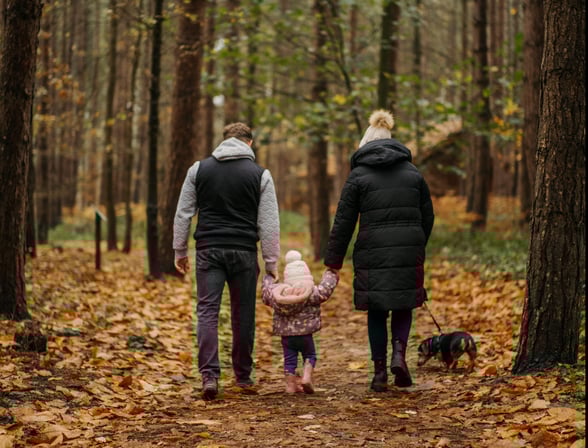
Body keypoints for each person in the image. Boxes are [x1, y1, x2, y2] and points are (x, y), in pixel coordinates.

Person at [324, 110, 434, 391]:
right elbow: (428, 216)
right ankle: (399, 355)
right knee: (403, 305)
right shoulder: (413, 174)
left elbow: (344, 222)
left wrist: (333, 261)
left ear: (366, 144)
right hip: (408, 249)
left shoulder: (359, 175)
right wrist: (417, 245)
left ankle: (379, 373)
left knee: (377, 310)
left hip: (372, 251)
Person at [173, 122, 280, 400]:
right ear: (249, 143)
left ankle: (209, 376)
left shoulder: (199, 169)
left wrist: (179, 250)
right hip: (244, 252)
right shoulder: (260, 174)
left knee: (207, 311)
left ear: (223, 142)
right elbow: (269, 223)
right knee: (243, 313)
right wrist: (271, 263)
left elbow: (183, 212)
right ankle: (243, 376)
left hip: (208, 249)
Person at [261, 250, 339, 394]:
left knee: (289, 360)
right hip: (305, 335)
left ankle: (290, 386)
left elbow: (266, 293)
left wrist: (269, 277)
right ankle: (306, 377)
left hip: (286, 337)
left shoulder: (278, 295)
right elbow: (326, 289)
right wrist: (331, 273)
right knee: (310, 355)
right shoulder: (311, 292)